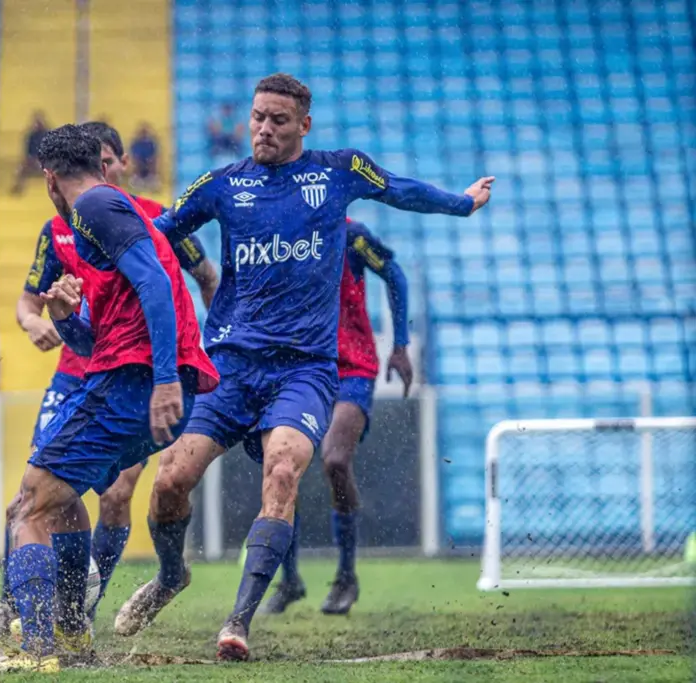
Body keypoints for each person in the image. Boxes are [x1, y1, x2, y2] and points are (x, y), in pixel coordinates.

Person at [114, 73, 494, 661]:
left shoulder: (338, 172)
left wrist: (462, 203)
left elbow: (398, 188)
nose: (265, 128)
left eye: (279, 120)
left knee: (285, 471)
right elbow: (159, 234)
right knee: (169, 481)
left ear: (304, 125)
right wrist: (99, 264)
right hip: (231, 368)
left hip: (306, 371)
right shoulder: (222, 185)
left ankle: (237, 623)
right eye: (258, 117)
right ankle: (169, 576)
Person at [0, 121, 219, 642]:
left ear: (50, 178)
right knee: (61, 503)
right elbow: (93, 342)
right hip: (136, 388)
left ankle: (38, 648)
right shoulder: (106, 224)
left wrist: (167, 379)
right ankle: (73, 632)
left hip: (132, 388)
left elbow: (155, 281)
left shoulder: (93, 207)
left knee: (25, 508)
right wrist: (62, 316)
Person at [258, 218, 414, 616]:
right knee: (282, 469)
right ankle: (289, 579)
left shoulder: (351, 235)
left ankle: (347, 577)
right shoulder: (278, 235)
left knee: (335, 460)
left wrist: (400, 345)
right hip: (299, 369)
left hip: (352, 368)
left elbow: (394, 274)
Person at [11, 112, 49, 194]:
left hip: (46, 162)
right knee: (20, 168)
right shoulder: (31, 136)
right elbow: (27, 153)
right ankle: (18, 188)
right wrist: (31, 160)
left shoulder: (49, 135)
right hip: (33, 161)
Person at [128, 124, 159, 192]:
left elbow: (154, 157)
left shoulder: (151, 144)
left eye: (145, 132)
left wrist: (150, 164)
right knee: (136, 161)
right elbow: (134, 157)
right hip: (138, 169)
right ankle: (138, 178)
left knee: (153, 160)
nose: (143, 134)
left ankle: (151, 177)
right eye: (142, 132)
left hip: (149, 168)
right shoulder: (136, 144)